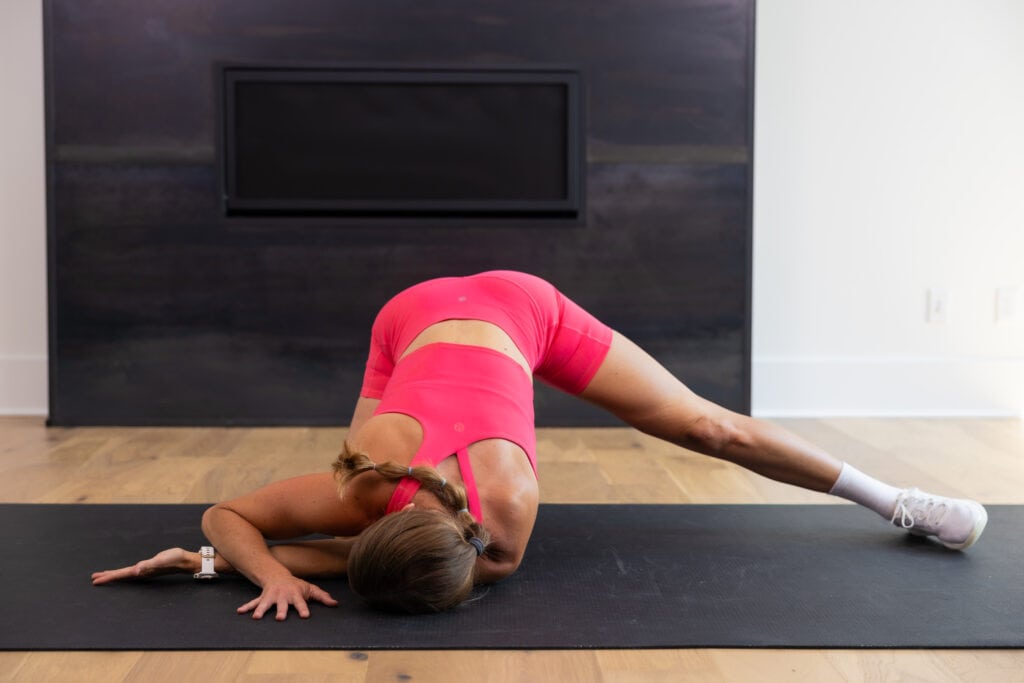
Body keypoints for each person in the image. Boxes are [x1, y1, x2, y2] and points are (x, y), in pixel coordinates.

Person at [91, 270, 988, 618]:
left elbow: (311, 542)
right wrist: (252, 564)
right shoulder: (371, 487)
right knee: (357, 448)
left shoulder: (505, 528)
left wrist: (231, 563)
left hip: (523, 312)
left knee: (707, 424)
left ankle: (895, 498)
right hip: (404, 321)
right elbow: (241, 518)